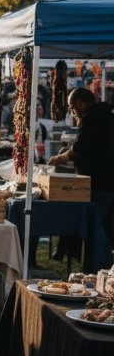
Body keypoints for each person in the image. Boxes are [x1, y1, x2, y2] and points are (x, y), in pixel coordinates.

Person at [48, 88, 114, 271]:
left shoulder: (92, 118)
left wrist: (61, 158)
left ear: (79, 104)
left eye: (71, 108)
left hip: (100, 184)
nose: (72, 112)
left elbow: (79, 149)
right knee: (103, 229)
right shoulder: (104, 115)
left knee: (95, 229)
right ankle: (99, 268)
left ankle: (94, 269)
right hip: (107, 181)